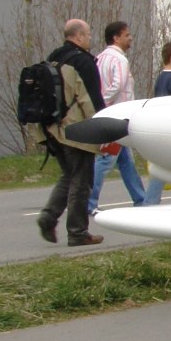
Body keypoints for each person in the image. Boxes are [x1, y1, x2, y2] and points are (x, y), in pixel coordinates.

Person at [36, 19, 106, 246]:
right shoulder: (82, 62)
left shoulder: (52, 58)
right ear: (78, 36)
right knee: (81, 181)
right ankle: (77, 232)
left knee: (69, 175)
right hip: (76, 130)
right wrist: (101, 129)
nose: (90, 39)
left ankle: (48, 216)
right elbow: (91, 99)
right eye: (87, 35)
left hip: (51, 129)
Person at [88, 21, 146, 214]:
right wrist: (105, 103)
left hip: (108, 115)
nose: (130, 39)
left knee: (125, 160)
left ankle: (141, 199)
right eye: (127, 35)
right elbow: (119, 85)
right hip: (118, 116)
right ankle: (89, 202)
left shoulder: (100, 58)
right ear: (116, 37)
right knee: (106, 159)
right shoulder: (120, 60)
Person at [142, 41, 171, 206]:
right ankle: (149, 202)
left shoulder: (160, 79)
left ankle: (150, 201)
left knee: (161, 167)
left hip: (158, 126)